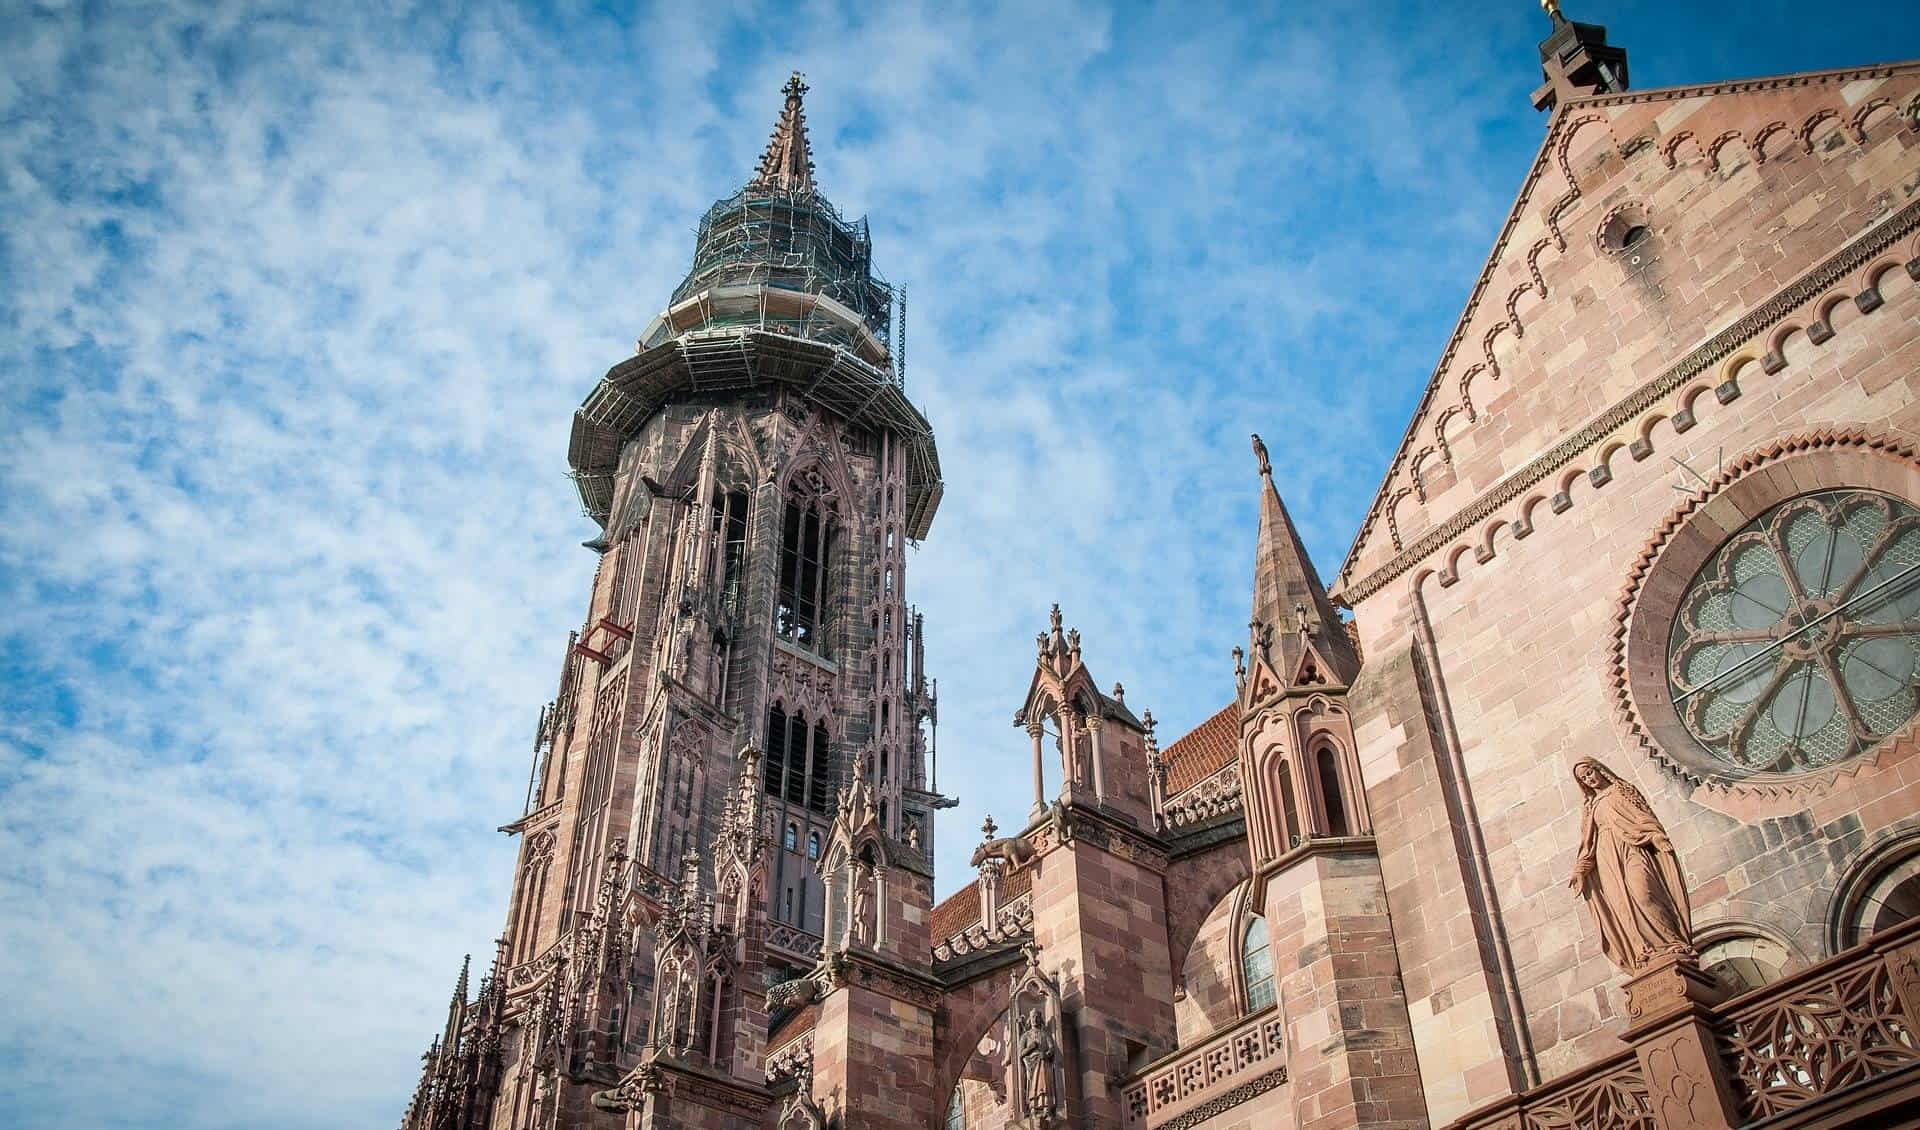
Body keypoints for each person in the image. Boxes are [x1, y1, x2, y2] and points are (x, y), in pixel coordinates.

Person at [1567, 758, 1693, 972]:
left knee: (1644, 894)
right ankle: (1645, 952)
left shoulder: (1621, 790)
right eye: (1584, 778)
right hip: (1606, 858)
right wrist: (1580, 870)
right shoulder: (1590, 807)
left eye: (1590, 773)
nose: (1589, 779)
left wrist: (1655, 835)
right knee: (1623, 907)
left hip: (1632, 848)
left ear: (1599, 769)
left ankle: (1670, 943)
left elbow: (1643, 817)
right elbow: (1588, 844)